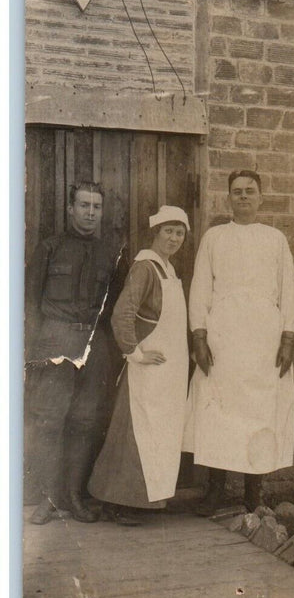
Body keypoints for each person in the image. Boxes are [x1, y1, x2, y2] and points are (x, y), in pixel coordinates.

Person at [183, 171, 294, 515]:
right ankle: (216, 491)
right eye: (237, 192)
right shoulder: (215, 238)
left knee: (259, 412)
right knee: (219, 410)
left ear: (261, 198)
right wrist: (199, 336)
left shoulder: (275, 239)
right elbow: (200, 287)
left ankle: (254, 493)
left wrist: (288, 337)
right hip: (224, 339)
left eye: (250, 191)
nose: (244, 197)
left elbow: (288, 289)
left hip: (264, 340)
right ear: (228, 199)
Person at [88, 206, 190, 524]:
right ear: (155, 234)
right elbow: (122, 313)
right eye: (167, 231)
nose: (173, 238)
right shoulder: (145, 267)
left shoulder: (168, 270)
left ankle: (148, 499)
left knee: (160, 434)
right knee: (136, 434)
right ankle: (119, 502)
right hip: (147, 370)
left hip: (169, 373)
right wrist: (135, 353)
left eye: (179, 232)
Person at [25, 181, 115, 524]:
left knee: (86, 421)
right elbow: (30, 303)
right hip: (54, 342)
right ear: (70, 209)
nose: (90, 212)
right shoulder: (49, 248)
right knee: (49, 420)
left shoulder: (110, 252)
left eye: (96, 207)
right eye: (84, 205)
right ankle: (48, 499)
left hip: (93, 345)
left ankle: (75, 497)